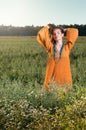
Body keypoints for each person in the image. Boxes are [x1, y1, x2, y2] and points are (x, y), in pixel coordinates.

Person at [37, 24, 78, 91]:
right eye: (54, 34)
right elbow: (41, 35)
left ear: (62, 35)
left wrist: (65, 30)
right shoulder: (50, 47)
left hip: (65, 75)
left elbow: (75, 31)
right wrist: (47, 27)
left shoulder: (67, 47)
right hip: (52, 76)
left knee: (65, 95)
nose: (56, 35)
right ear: (52, 36)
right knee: (50, 93)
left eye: (58, 33)